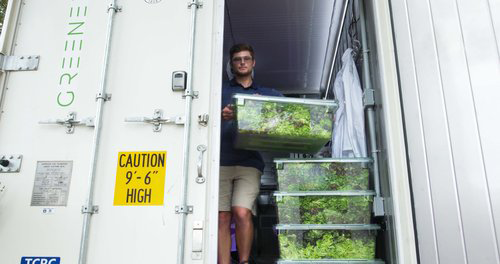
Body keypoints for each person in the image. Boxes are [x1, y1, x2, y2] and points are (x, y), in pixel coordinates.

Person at [218, 43, 282, 264]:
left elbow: (289, 112)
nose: (242, 62)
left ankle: (244, 262)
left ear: (253, 63)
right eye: (237, 59)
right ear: (232, 64)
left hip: (249, 163)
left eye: (246, 58)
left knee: (242, 212)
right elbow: (202, 116)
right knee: (222, 216)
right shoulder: (218, 92)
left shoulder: (266, 94)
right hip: (220, 162)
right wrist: (220, 115)